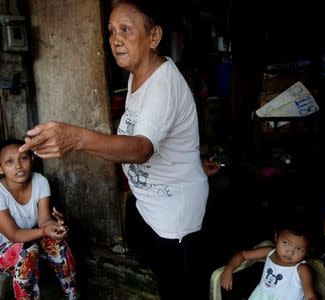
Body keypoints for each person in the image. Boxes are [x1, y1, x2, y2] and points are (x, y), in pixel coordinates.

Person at [19, 1, 219, 298]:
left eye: (126, 29)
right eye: (112, 30)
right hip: (151, 207)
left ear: (154, 36)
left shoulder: (163, 84)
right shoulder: (138, 75)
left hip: (175, 219)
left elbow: (141, 149)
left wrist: (76, 138)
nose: (115, 39)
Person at [0, 139, 79, 300]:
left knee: (55, 240)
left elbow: (44, 220)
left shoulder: (40, 181)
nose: (18, 166)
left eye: (23, 158)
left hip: (28, 241)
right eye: (9, 162)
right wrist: (44, 231)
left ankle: (72, 294)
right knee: (28, 250)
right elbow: (14, 235)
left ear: (31, 159)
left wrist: (54, 226)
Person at [220, 220, 317, 300]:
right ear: (276, 237)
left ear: (306, 252)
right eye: (285, 243)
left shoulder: (302, 269)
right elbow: (242, 254)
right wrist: (228, 269)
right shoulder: (269, 252)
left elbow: (311, 296)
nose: (290, 252)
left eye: (299, 249)